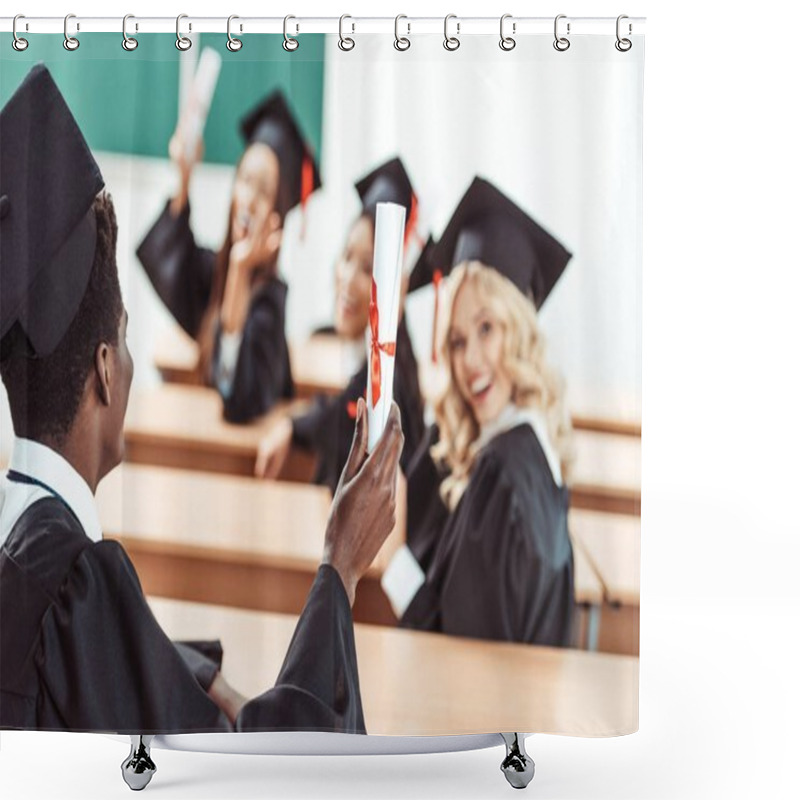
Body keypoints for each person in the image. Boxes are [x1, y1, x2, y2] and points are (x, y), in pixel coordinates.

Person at [0, 65, 403, 734]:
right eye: (125, 342)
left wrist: (198, 673)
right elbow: (268, 764)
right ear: (105, 371)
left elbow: (107, 667)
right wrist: (340, 567)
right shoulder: (81, 578)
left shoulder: (23, 537)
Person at [380, 177, 576, 646]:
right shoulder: (533, 449)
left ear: (520, 329)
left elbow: (458, 657)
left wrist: (391, 562)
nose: (469, 361)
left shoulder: (502, 478)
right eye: (457, 340)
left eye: (486, 328)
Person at [137, 90, 321, 423]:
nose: (248, 198)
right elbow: (173, 260)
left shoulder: (270, 305)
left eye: (264, 190)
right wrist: (184, 177)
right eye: (245, 180)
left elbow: (234, 396)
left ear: (278, 215)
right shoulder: (214, 273)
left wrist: (240, 268)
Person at [255, 158, 427, 492]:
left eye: (367, 268)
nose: (348, 278)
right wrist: (292, 426)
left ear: (397, 288)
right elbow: (335, 411)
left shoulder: (389, 392)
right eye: (347, 257)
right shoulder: (368, 364)